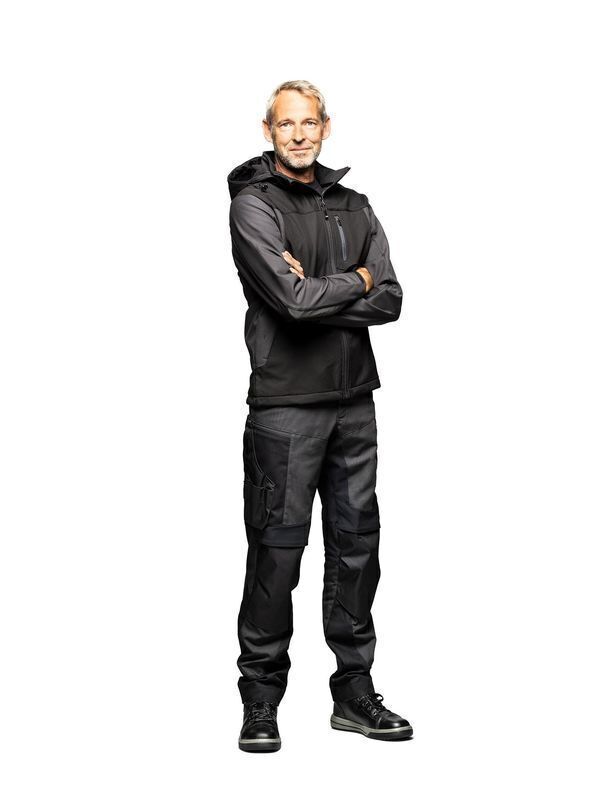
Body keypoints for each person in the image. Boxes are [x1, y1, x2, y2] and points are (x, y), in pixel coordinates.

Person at [227, 79, 413, 753]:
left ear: (325, 127)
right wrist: (352, 281)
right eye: (287, 124)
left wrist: (328, 287)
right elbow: (291, 303)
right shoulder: (254, 206)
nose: (299, 134)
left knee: (358, 548)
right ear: (269, 131)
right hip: (285, 410)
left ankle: (354, 693)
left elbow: (390, 297)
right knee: (276, 553)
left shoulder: (356, 206)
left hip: (354, 404)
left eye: (309, 123)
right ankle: (260, 698)